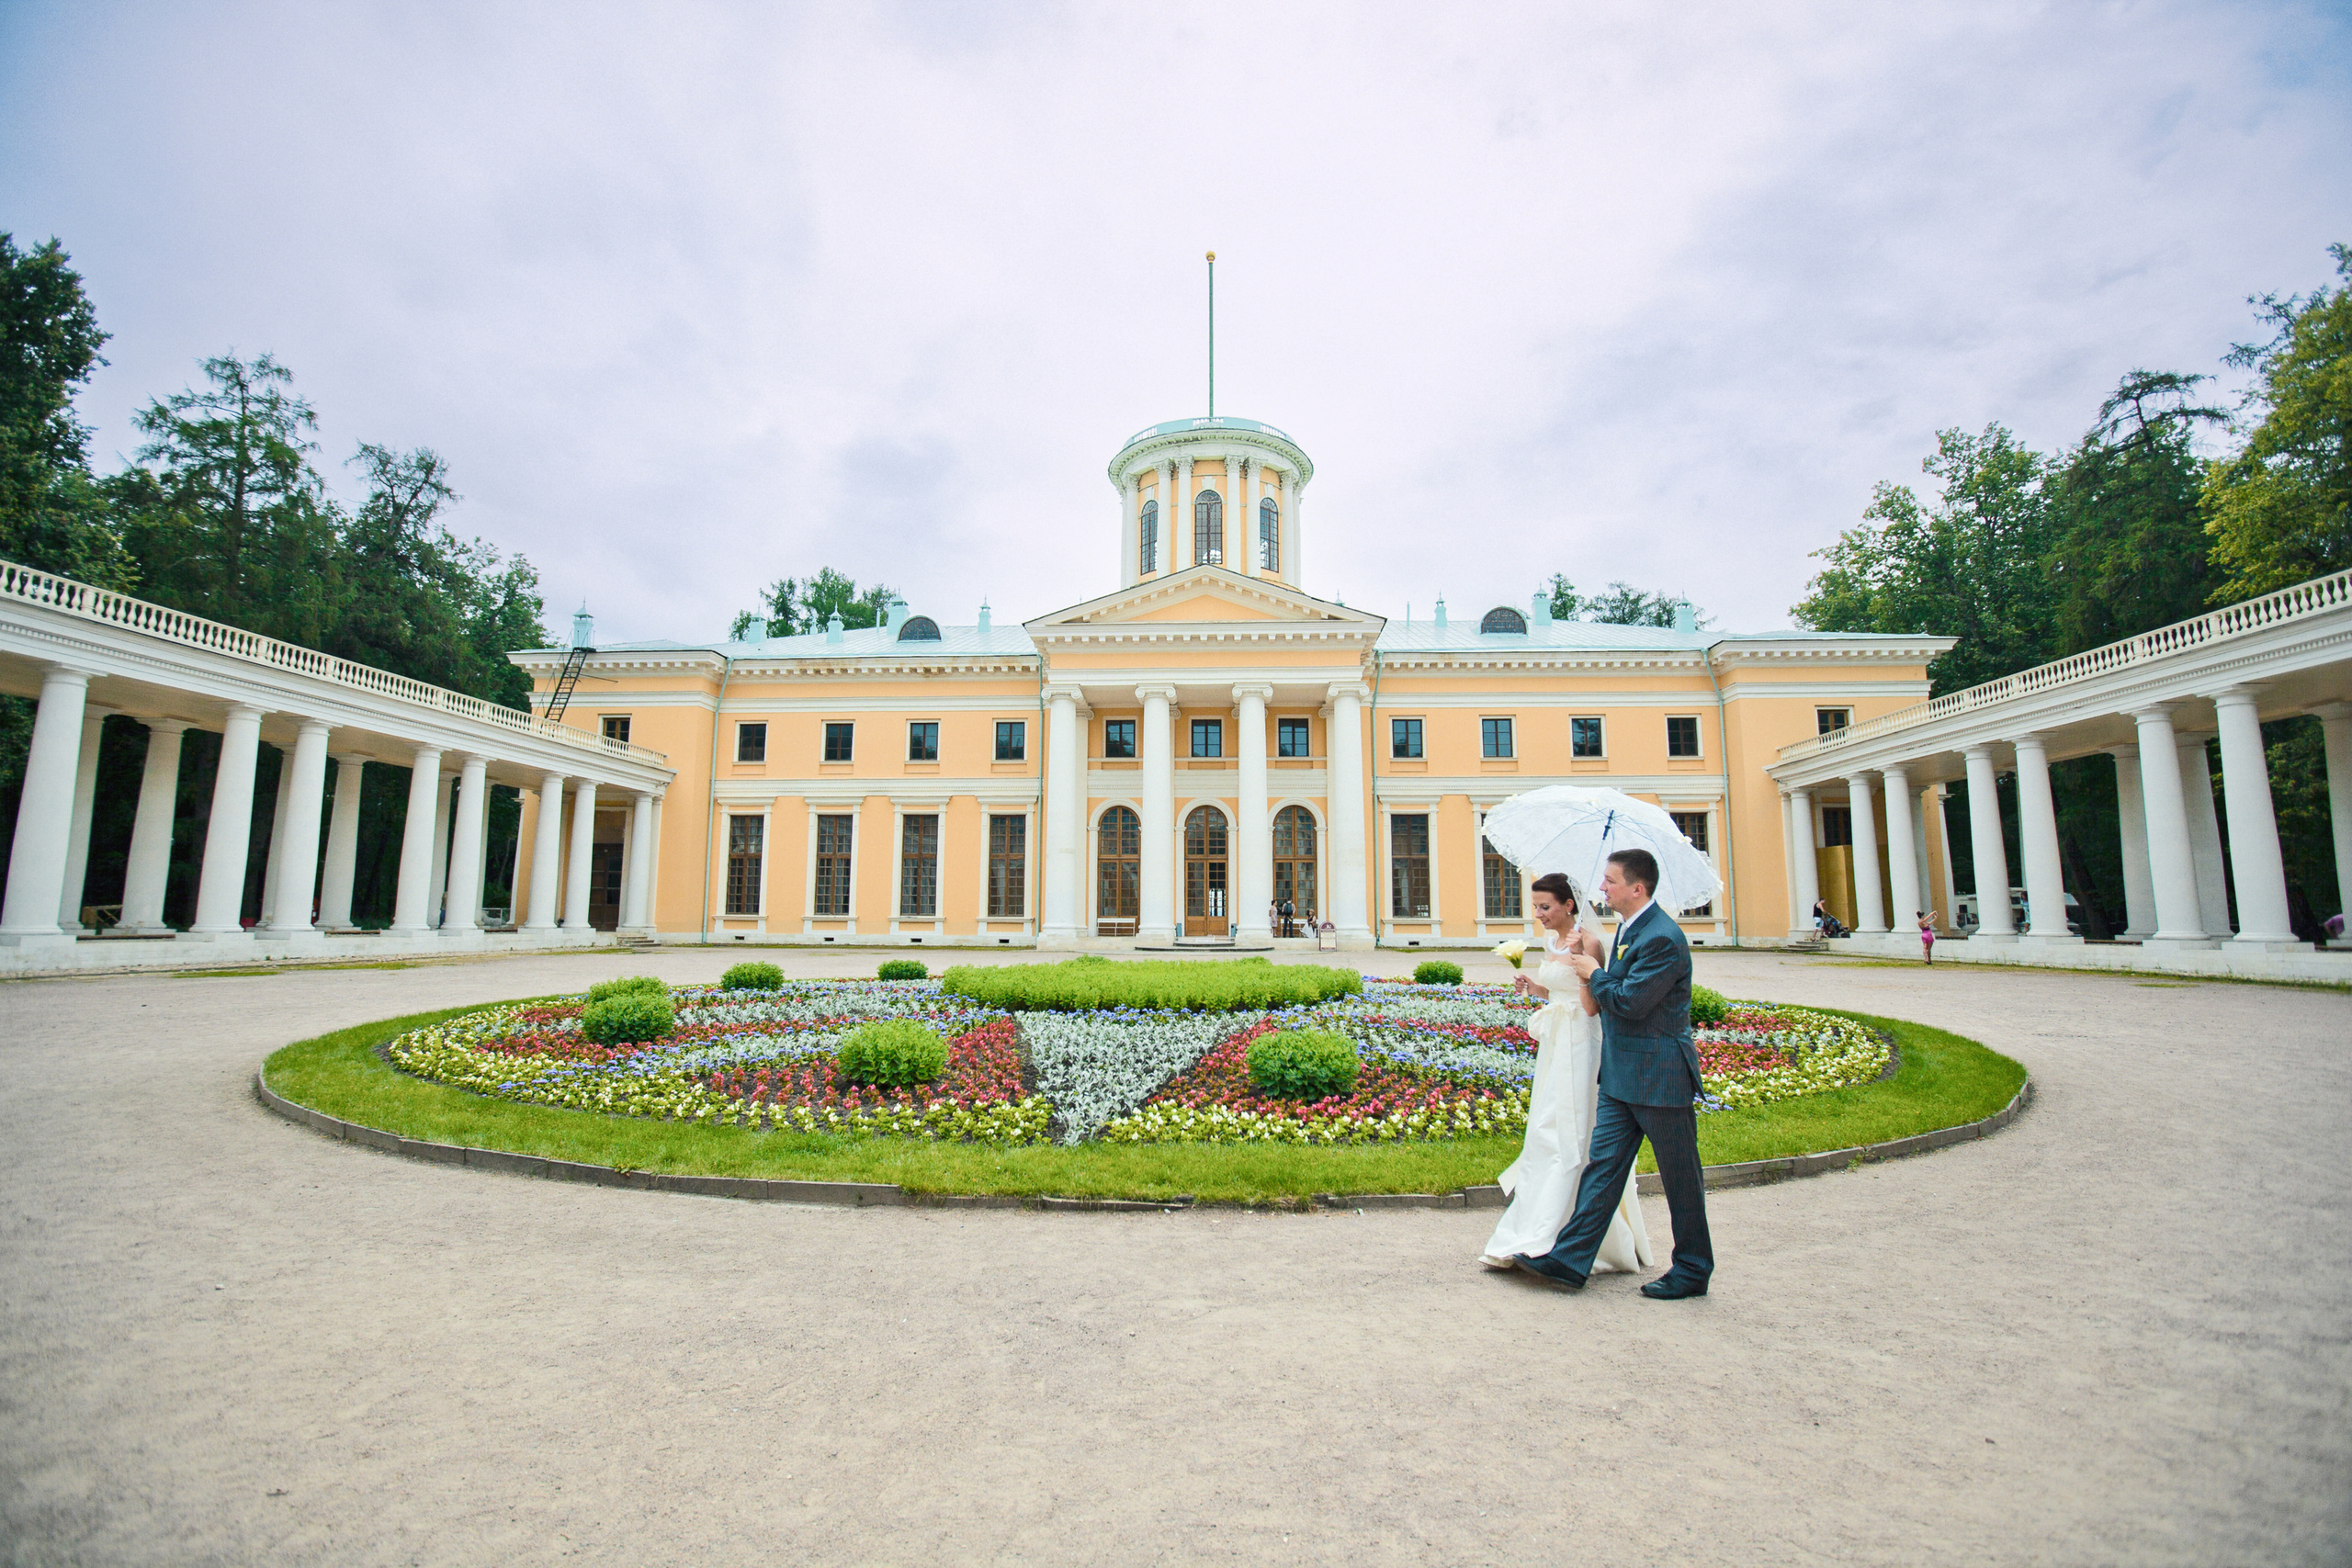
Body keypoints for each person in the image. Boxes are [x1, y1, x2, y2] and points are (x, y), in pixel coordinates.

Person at [1512, 847, 1713, 1301]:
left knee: (1681, 1175)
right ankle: (1569, 1260)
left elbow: (1629, 1002)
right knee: (1602, 1169)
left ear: (1636, 888)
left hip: (1659, 1076)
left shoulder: (1662, 937)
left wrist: (1592, 972)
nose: (1602, 887)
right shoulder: (1630, 929)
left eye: (1611, 880)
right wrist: (1588, 966)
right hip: (1623, 1074)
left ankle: (1694, 1268)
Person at [1477, 872, 1653, 1274]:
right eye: (1536, 906)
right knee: (1544, 1125)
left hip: (1580, 1043)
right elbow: (1558, 993)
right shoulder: (1549, 941)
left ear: (1568, 906)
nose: (1538, 914)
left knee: (1572, 1130)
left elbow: (1591, 1007)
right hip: (1555, 1043)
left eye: (1545, 907)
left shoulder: (1588, 942)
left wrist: (1582, 962)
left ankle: (1563, 1234)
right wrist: (1533, 988)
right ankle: (1534, 1225)